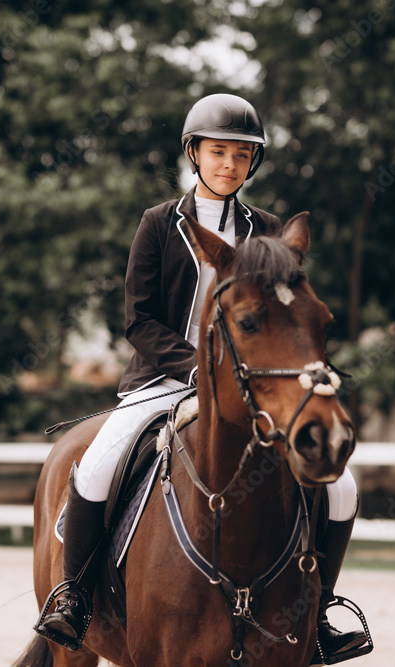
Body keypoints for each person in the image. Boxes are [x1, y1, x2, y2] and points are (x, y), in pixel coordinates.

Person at [37, 93, 368, 662]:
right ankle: (75, 597)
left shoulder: (266, 230)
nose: (229, 166)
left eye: (242, 156)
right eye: (218, 153)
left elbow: (284, 315)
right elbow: (138, 319)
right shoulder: (159, 224)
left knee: (341, 486)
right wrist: (196, 368)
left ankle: (322, 612)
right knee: (94, 467)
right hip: (164, 383)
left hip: (252, 390)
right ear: (194, 153)